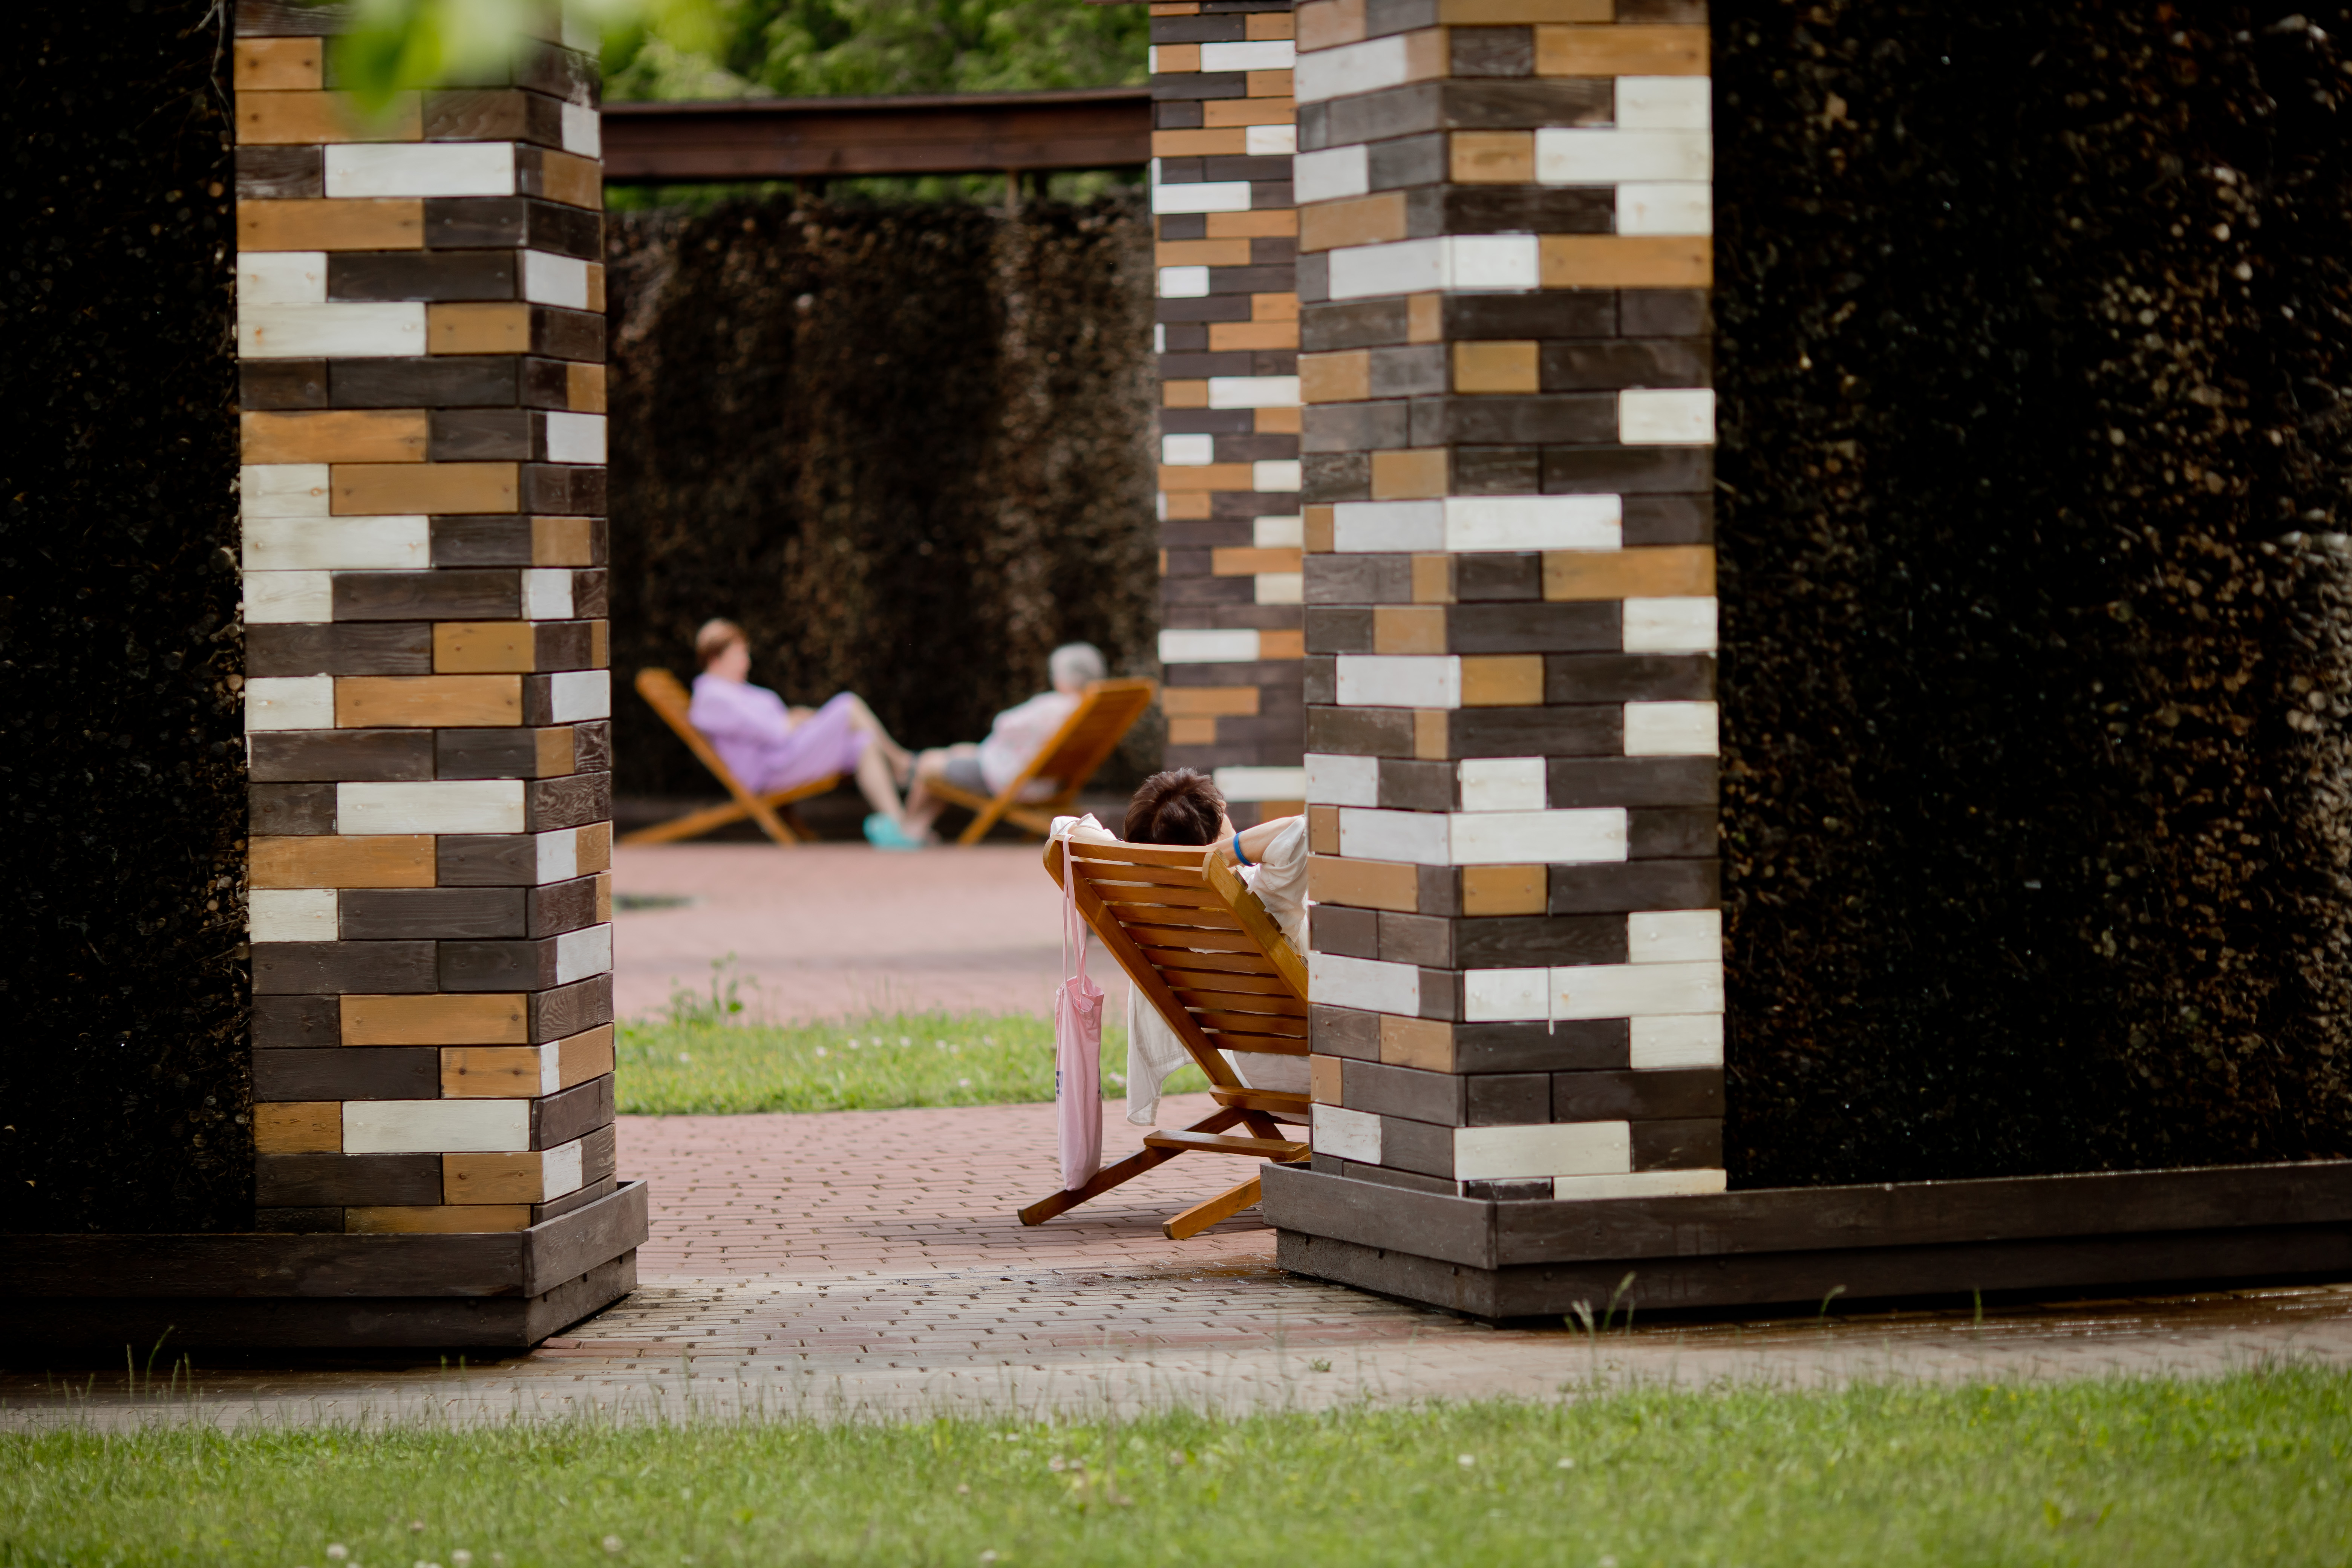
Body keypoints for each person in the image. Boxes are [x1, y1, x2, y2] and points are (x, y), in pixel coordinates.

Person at [1115, 768, 1309, 1125]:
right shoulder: (1260, 897)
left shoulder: (1149, 913)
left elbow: (1066, 828)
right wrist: (1218, 855)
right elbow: (1306, 831)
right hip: (1325, 1077)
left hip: (1251, 1079)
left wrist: (1162, 865)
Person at [684, 619, 921, 848]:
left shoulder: (732, 690)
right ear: (715, 660)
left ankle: (899, 824)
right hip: (772, 770)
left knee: (863, 743)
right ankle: (901, 765)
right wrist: (793, 721)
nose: (746, 662)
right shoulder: (712, 696)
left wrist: (795, 719)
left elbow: (773, 723)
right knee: (848, 705)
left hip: (784, 757)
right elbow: (775, 731)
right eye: (739, 655)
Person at [901, 642, 1107, 844]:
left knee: (927, 763)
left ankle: (904, 829)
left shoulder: (1053, 706)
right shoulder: (1091, 709)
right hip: (1048, 784)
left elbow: (1003, 723)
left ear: (1067, 676)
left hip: (1012, 782)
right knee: (957, 751)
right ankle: (918, 828)